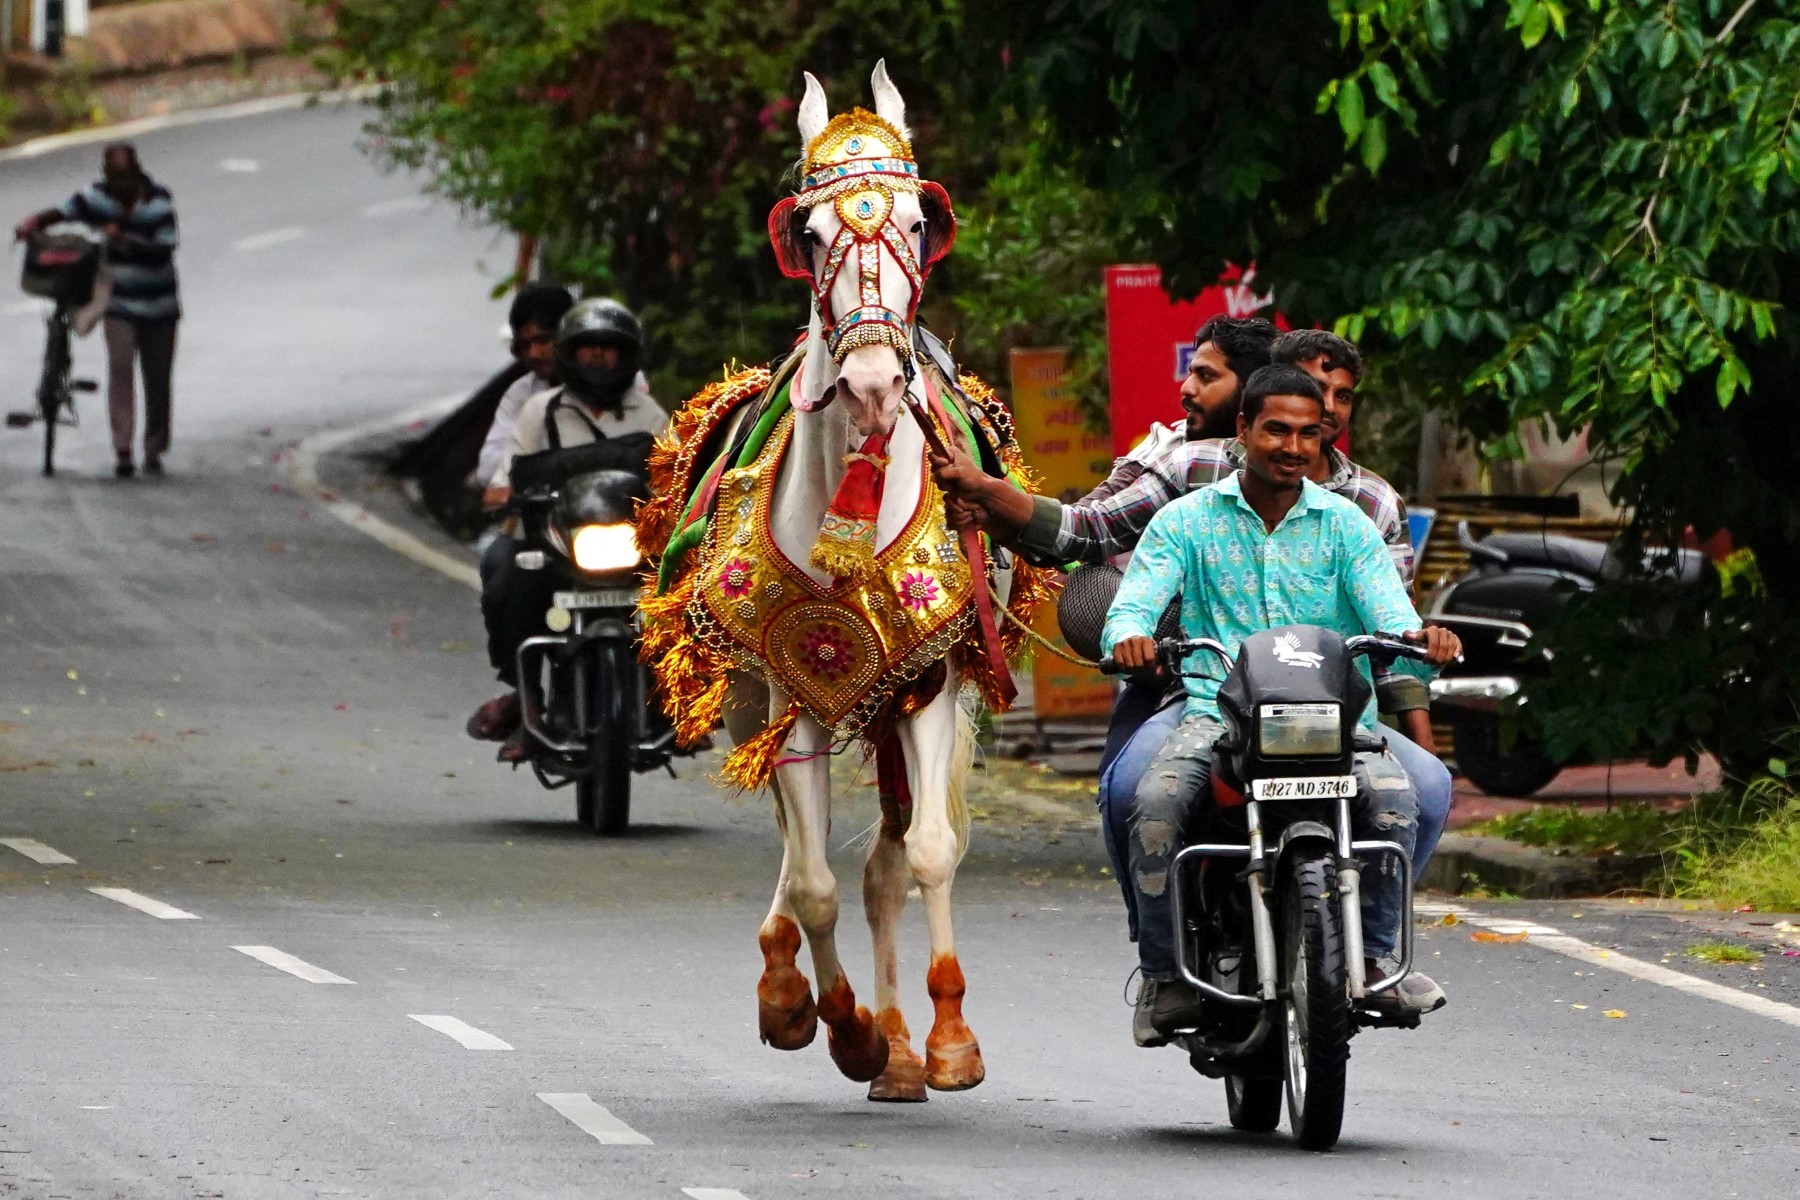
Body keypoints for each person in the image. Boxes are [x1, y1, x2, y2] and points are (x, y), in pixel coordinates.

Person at [931, 325, 1453, 929]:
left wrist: (1422, 665)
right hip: (1203, 696)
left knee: (1426, 791)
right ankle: (1162, 961)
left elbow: (1395, 629)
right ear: (1249, 417)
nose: (1304, 432)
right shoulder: (1188, 486)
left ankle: (1376, 944)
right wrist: (991, 495)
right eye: (1286, 416)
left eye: (1328, 406)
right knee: (1133, 795)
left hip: (1330, 715)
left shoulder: (1363, 512)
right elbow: (1093, 536)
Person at [1100, 365, 1462, 1044]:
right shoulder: (1185, 521)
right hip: (1215, 710)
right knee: (1146, 801)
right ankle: (1164, 974)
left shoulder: (1348, 527)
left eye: (1307, 433)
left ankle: (1377, 956)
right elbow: (1134, 606)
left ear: (1324, 440)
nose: (1291, 447)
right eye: (1276, 430)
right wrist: (1131, 639)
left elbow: (1392, 614)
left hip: (1332, 719)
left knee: (1411, 798)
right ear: (1243, 430)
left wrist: (1424, 638)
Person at [466, 298, 668, 760]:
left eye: (608, 348)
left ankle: (682, 698)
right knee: (504, 568)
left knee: (693, 582)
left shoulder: (649, 414)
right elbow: (503, 478)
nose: (597, 357)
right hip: (558, 549)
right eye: (587, 348)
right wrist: (506, 493)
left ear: (626, 355)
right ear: (569, 355)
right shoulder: (540, 411)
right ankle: (527, 698)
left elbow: (676, 475)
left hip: (630, 549)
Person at [13, 143, 179, 478]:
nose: (121, 186)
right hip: (119, 303)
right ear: (106, 176)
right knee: (120, 372)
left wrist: (125, 238)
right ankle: (123, 450)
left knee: (157, 379)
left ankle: (154, 447)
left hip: (161, 305)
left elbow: (166, 246)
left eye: (126, 177)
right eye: (115, 178)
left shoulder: (159, 200)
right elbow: (63, 210)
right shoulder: (98, 197)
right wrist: (31, 223)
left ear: (137, 171)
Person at [475, 282, 576, 488]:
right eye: (525, 345)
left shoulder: (622, 382)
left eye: (543, 340)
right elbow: (488, 467)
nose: (534, 354)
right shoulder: (521, 394)